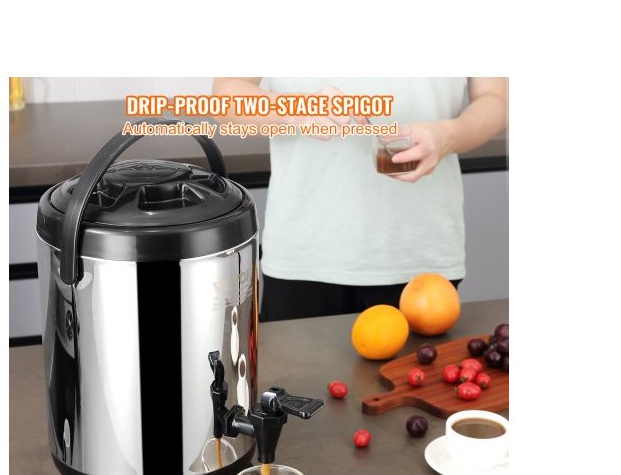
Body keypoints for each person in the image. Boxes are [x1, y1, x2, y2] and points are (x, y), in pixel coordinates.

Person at [210, 77, 508, 321]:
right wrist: (295, 109)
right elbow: (225, 94)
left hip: (421, 253)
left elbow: (497, 98)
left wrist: (447, 135)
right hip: (307, 253)